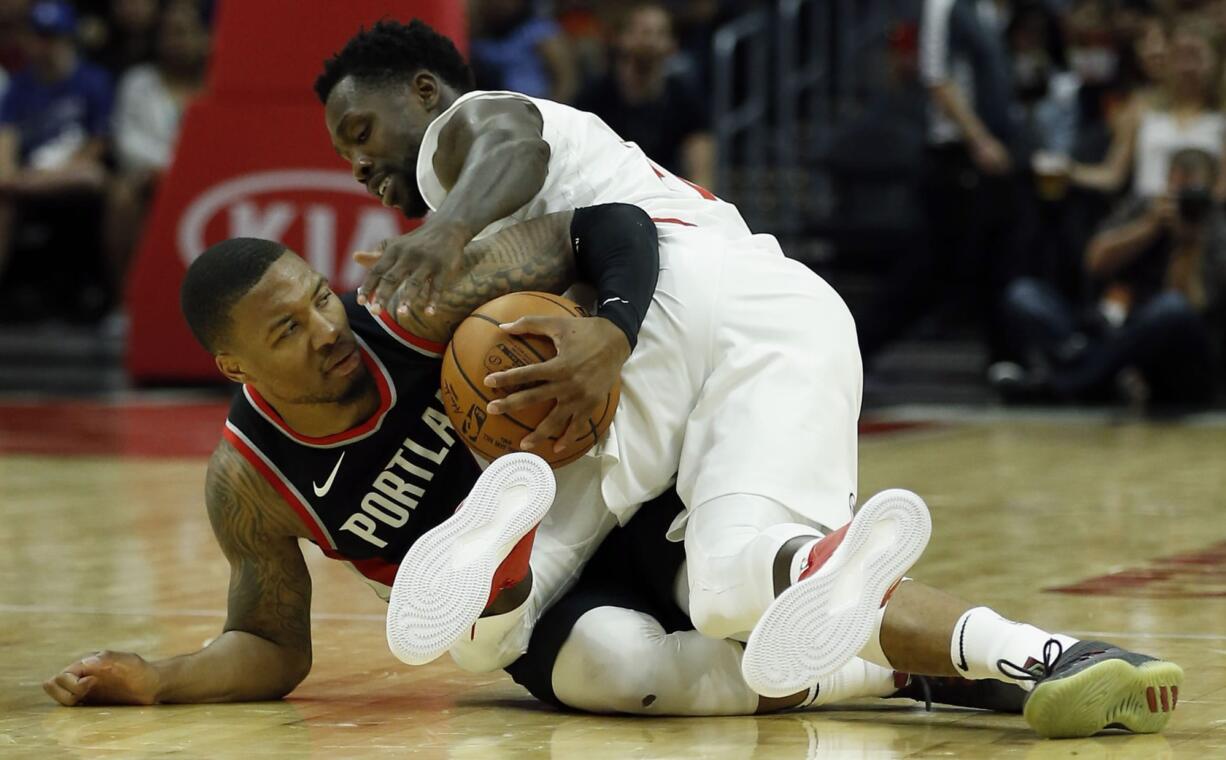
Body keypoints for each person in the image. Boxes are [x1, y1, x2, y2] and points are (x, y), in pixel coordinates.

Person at [311, 19, 1181, 738]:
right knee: (735, 583)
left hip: (659, 299)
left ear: (424, 92)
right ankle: (1036, 657)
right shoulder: (595, 159)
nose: (360, 164)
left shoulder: (468, 128)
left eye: (361, 133)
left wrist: (446, 227)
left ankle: (499, 576)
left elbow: (509, 143)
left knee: (522, 589)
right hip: (788, 302)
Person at [44, 213, 1180, 740]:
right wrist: (164, 676)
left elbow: (611, 227)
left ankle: (1037, 658)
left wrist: (612, 335)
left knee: (755, 580)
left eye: (319, 298)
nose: (326, 329)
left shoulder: (416, 307)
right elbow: (274, 638)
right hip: (546, 612)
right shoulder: (247, 478)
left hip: (619, 493)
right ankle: (949, 667)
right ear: (234, 366)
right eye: (288, 332)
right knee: (618, 669)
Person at [997, 147, 1224, 406]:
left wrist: (1188, 245)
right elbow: (1094, 262)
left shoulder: (1215, 227)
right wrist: (1150, 226)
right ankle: (1100, 374)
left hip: (1168, 353)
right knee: (1025, 295)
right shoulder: (1146, 206)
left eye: (1192, 193)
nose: (1183, 200)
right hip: (1109, 325)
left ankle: (1060, 383)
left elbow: (1193, 309)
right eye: (1177, 189)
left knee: (1170, 309)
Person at [0, 0, 112, 317]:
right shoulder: (18, 85)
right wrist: (9, 173)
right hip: (25, 176)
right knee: (2, 200)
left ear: (68, 39)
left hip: (68, 173)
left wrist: (34, 178)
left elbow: (97, 144)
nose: (45, 46)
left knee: (92, 176)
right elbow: (5, 139)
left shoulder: (93, 81)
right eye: (38, 36)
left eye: (53, 37)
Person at [574, 2, 715, 191]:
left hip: (665, 195)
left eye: (659, 33)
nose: (650, 41)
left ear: (673, 45)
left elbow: (701, 166)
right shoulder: (593, 95)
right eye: (643, 32)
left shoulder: (685, 98)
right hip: (605, 192)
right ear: (620, 38)